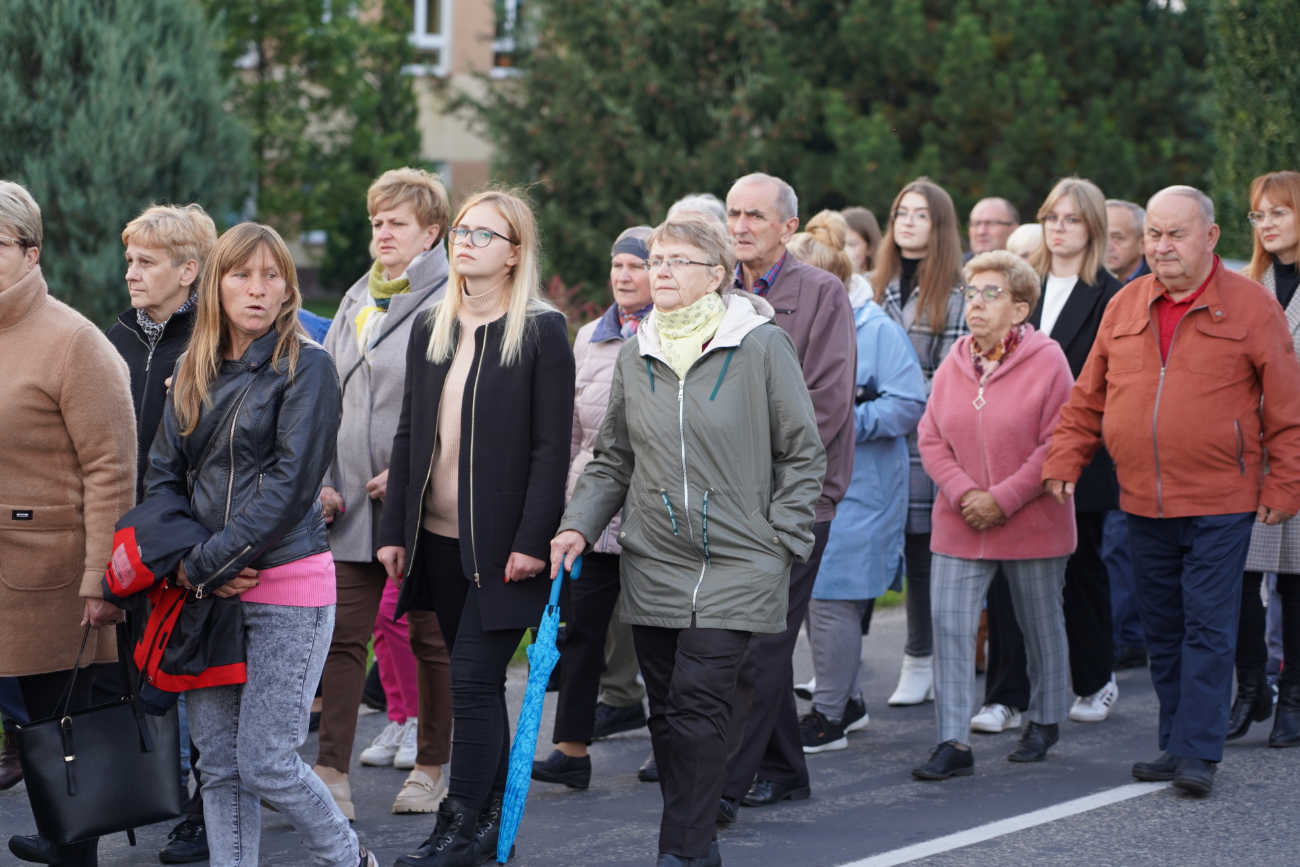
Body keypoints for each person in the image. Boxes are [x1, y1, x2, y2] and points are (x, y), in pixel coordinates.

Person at [551, 212, 826, 867]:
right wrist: (577, 523)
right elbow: (612, 457)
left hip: (739, 561)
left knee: (701, 705)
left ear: (717, 275)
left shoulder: (759, 344)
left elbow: (803, 453)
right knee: (669, 713)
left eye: (677, 260)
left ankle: (685, 849)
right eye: (656, 259)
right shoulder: (636, 347)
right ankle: (690, 842)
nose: (661, 270)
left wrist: (780, 541)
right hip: (654, 561)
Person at [1042, 185, 1300, 795]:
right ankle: (1176, 740)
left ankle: (1197, 752)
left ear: (1210, 238)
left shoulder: (1252, 306)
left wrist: (1285, 485)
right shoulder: (1125, 304)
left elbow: (1287, 409)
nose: (1161, 246)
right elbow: (1088, 397)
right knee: (1162, 626)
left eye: (1175, 234)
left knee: (1207, 624)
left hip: (1223, 499)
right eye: (1153, 234)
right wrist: (1065, 459)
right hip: (1141, 498)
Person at [143, 222, 366, 864]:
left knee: (266, 762)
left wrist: (204, 566)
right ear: (215, 285)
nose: (258, 289)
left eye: (273, 276)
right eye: (242, 274)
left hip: (288, 584)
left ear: (290, 289)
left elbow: (292, 489)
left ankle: (351, 859)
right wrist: (188, 565)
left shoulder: (309, 367)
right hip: (206, 591)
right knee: (217, 764)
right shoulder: (192, 369)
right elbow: (162, 477)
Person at [377, 189, 574, 867]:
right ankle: (481, 828)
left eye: (484, 234)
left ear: (515, 252)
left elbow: (554, 448)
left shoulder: (543, 332)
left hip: (502, 548)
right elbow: (410, 433)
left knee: (469, 680)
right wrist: (393, 526)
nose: (465, 241)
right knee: (479, 687)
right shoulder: (435, 322)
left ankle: (459, 827)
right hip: (435, 538)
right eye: (461, 230)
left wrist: (529, 539)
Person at [0, 180, 137, 867]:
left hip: (54, 583)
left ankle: (70, 845)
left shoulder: (75, 341)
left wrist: (100, 580)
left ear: (31, 251)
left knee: (65, 733)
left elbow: (112, 470)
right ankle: (58, 834)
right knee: (31, 735)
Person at [315, 167, 454, 818]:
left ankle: (432, 765)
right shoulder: (355, 296)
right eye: (377, 221)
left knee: (428, 635)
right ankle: (330, 772)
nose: (383, 233)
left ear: (432, 232)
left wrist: (410, 469)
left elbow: (457, 406)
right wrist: (321, 477)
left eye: (397, 222)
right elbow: (326, 396)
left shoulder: (452, 297)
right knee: (343, 636)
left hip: (420, 502)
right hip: (346, 503)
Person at [912, 250, 1075, 780]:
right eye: (970, 293)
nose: (975, 304)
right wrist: (964, 494)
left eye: (991, 294)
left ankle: (1045, 719)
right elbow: (930, 436)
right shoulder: (954, 359)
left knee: (1040, 625)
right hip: (959, 521)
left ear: (1021, 309)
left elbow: (1057, 443)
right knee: (952, 628)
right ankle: (953, 742)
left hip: (1031, 521)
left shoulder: (1049, 360)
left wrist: (1001, 499)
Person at [721, 173, 856, 815]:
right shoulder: (717, 291)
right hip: (726, 497)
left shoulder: (822, 294)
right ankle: (783, 769)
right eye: (733, 214)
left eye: (755, 215)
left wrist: (759, 474)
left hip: (795, 497)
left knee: (763, 641)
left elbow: (825, 406)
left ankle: (724, 782)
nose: (741, 225)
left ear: (788, 227)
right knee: (747, 635)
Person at [104, 202, 218, 865]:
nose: (131, 273)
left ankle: (204, 814)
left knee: (193, 675)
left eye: (146, 262)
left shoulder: (214, 342)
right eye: (130, 260)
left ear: (188, 270)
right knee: (134, 671)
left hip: (188, 539)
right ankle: (145, 795)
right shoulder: (112, 338)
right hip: (128, 539)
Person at [791, 214, 927, 753]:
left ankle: (830, 715)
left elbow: (908, 403)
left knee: (832, 597)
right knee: (807, 597)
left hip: (861, 485)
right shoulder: (790, 324)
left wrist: (847, 421)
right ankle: (845, 699)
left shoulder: (876, 330)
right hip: (805, 485)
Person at [531, 226, 653, 792]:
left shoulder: (671, 333)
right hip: (595, 512)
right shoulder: (590, 338)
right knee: (580, 632)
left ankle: (672, 749)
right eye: (618, 265)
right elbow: (575, 434)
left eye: (637, 266)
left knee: (658, 637)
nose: (624, 276)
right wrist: (568, 509)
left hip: (653, 514)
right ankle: (570, 750)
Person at [1026, 178, 1125, 722]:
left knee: (1082, 568)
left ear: (1092, 227)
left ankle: (1095, 678)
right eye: (1051, 218)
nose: (1059, 229)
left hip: (1082, 453)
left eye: (1071, 219)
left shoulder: (1111, 294)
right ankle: (1024, 688)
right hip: (1021, 453)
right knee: (1024, 576)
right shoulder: (1028, 285)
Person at [871, 177, 968, 707]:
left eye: (920, 214)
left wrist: (895, 390)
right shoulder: (877, 283)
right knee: (877, 547)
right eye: (900, 212)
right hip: (878, 439)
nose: (907, 222)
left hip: (927, 442)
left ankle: (921, 657)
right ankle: (843, 663)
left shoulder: (956, 291)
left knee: (924, 554)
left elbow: (951, 374)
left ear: (940, 225)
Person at [1235, 170, 1300, 748]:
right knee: (1236, 575)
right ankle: (1252, 686)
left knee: (1296, 582)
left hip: (1298, 450)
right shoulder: (1247, 286)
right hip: (1249, 454)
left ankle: (1295, 698)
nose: (1268, 224)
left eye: (1279, 211)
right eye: (1259, 215)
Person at [1103, 198, 1150, 670]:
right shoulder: (1098, 289)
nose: (1110, 246)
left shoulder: (1146, 291)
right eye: (1106, 235)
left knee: (1120, 544)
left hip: (1136, 442)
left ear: (1140, 241)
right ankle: (1126, 634)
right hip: (1100, 437)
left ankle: (1122, 639)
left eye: (1120, 236)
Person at [1106, 199, 1150, 285]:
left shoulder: (1159, 284)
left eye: (1118, 238)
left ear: (1142, 244)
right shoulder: (1084, 282)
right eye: (1102, 238)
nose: (1107, 247)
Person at [842, 206, 882, 277]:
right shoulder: (830, 282)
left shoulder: (883, 284)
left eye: (852, 244)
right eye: (840, 243)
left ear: (870, 247)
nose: (844, 250)